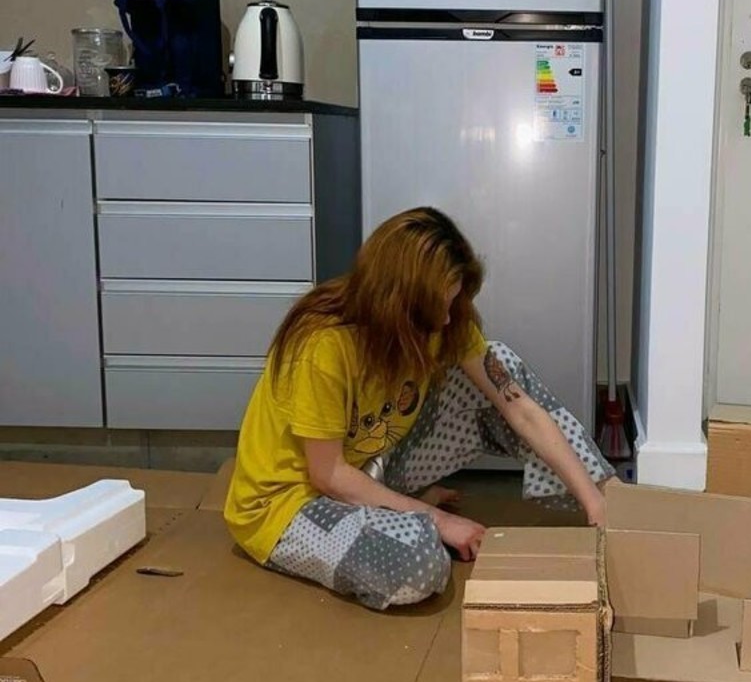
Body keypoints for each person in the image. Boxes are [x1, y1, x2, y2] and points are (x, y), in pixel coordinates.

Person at [224, 207, 613, 610]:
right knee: (419, 563)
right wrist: (438, 520)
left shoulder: (446, 320)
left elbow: (522, 411)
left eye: (452, 302)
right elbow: (328, 475)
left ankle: (613, 506)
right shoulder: (323, 345)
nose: (445, 320)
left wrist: (593, 499)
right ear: (395, 306)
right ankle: (399, 516)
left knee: (501, 364)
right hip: (290, 501)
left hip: (368, 463)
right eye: (437, 310)